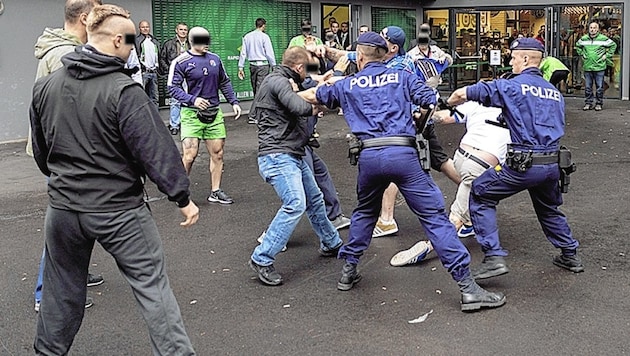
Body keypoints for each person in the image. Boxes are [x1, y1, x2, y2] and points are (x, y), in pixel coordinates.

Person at [29, 4, 200, 354]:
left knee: (60, 294)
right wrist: (182, 199)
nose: (132, 50)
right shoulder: (125, 92)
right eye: (131, 44)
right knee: (153, 288)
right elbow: (157, 152)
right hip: (118, 211)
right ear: (119, 41)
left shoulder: (45, 87)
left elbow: (43, 152)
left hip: (62, 210)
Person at [300, 32, 505, 312]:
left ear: (360, 57)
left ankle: (348, 269)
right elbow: (431, 100)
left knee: (364, 213)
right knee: (434, 219)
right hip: (404, 154)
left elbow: (314, 94)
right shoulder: (402, 76)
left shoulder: (348, 84)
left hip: (369, 156)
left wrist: (280, 91)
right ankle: (467, 288)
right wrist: (418, 123)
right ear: (385, 55)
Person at [446, 37, 584, 281]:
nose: (511, 62)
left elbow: (462, 93)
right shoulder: (555, 93)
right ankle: (570, 254)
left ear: (526, 59)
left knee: (480, 192)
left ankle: (494, 258)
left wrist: (449, 102)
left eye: (513, 57)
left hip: (524, 164)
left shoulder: (511, 86)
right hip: (552, 165)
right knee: (548, 209)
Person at [248, 46, 344, 286]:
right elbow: (300, 107)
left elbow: (307, 94)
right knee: (295, 203)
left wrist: (319, 90)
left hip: (293, 153)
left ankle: (331, 243)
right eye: (306, 69)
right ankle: (262, 257)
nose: (307, 73)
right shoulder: (277, 81)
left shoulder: (285, 80)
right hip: (277, 155)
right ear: (299, 67)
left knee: (315, 200)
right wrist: (319, 103)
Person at [31, 0, 104, 313]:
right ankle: (45, 292)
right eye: (98, 16)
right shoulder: (65, 56)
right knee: (64, 223)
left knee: (76, 219)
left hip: (61, 153)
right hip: (65, 155)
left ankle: (74, 273)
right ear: (85, 18)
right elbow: (72, 111)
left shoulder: (62, 49)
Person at [390, 99, 510, 267]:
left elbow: (445, 118)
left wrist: (425, 116)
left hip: (462, 157)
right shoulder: (519, 113)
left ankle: (469, 223)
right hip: (482, 165)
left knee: (476, 194)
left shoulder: (479, 104)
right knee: (457, 214)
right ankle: (429, 246)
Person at [168, 26, 242, 205]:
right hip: (191, 114)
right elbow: (172, 88)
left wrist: (234, 102)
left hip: (214, 113)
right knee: (190, 155)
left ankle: (215, 192)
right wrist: (193, 100)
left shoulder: (215, 59)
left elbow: (224, 82)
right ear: (193, 41)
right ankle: (180, 191)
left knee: (217, 153)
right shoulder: (181, 61)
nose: (206, 43)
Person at [238, 17, 276, 125]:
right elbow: (269, 53)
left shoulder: (247, 36)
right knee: (260, 91)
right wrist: (273, 65)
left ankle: (259, 114)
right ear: (263, 25)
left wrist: (240, 67)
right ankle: (253, 115)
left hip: (252, 66)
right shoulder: (265, 37)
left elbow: (243, 53)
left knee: (256, 90)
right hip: (263, 66)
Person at [575, 21, 617, 111]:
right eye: (591, 28)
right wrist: (582, 54)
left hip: (599, 66)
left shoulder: (603, 38)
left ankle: (599, 103)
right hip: (588, 66)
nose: (593, 29)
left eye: (594, 28)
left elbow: (613, 45)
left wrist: (607, 55)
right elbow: (577, 46)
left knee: (599, 87)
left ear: (598, 29)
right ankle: (588, 103)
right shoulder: (584, 39)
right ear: (588, 29)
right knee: (587, 87)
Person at [159, 22, 190, 135]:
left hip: (188, 76)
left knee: (188, 99)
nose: (183, 31)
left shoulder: (191, 44)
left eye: (185, 30)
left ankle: (186, 123)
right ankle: (174, 125)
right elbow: (162, 59)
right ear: (176, 30)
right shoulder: (169, 44)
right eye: (181, 29)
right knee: (175, 101)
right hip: (175, 76)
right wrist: (170, 71)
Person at [134, 20, 160, 107]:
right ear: (139, 29)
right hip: (143, 73)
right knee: (141, 97)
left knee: (155, 98)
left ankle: (155, 119)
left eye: (147, 27)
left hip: (154, 72)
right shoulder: (136, 40)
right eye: (143, 27)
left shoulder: (154, 41)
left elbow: (159, 55)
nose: (145, 29)